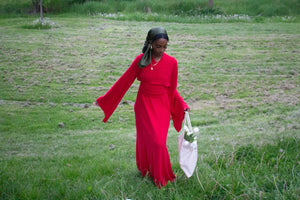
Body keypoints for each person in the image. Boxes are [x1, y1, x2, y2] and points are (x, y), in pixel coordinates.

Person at [94, 27, 189, 188]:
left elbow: (172, 89)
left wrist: (182, 105)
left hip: (162, 106)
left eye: (165, 47)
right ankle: (147, 170)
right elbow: (124, 81)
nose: (162, 50)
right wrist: (105, 100)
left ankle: (162, 177)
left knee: (159, 142)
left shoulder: (172, 63)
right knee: (147, 141)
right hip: (143, 106)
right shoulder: (141, 60)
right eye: (158, 46)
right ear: (150, 44)